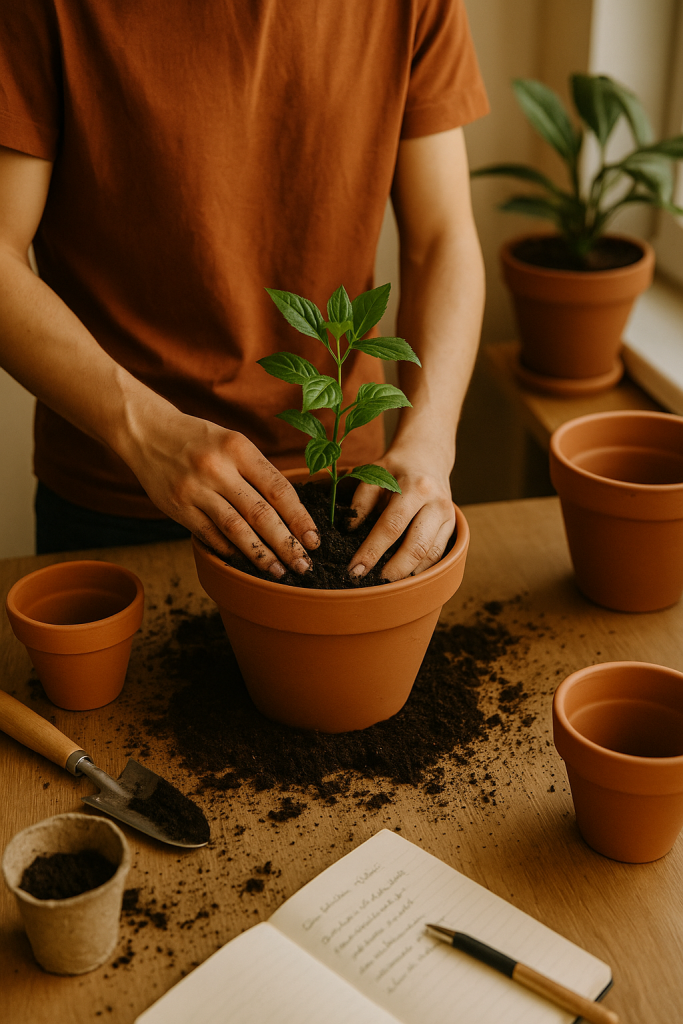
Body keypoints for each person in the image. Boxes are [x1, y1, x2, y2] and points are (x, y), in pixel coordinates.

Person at [0, 0, 488, 582]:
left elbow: (442, 238)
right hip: (123, 484)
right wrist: (146, 432)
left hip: (346, 490)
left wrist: (430, 442)